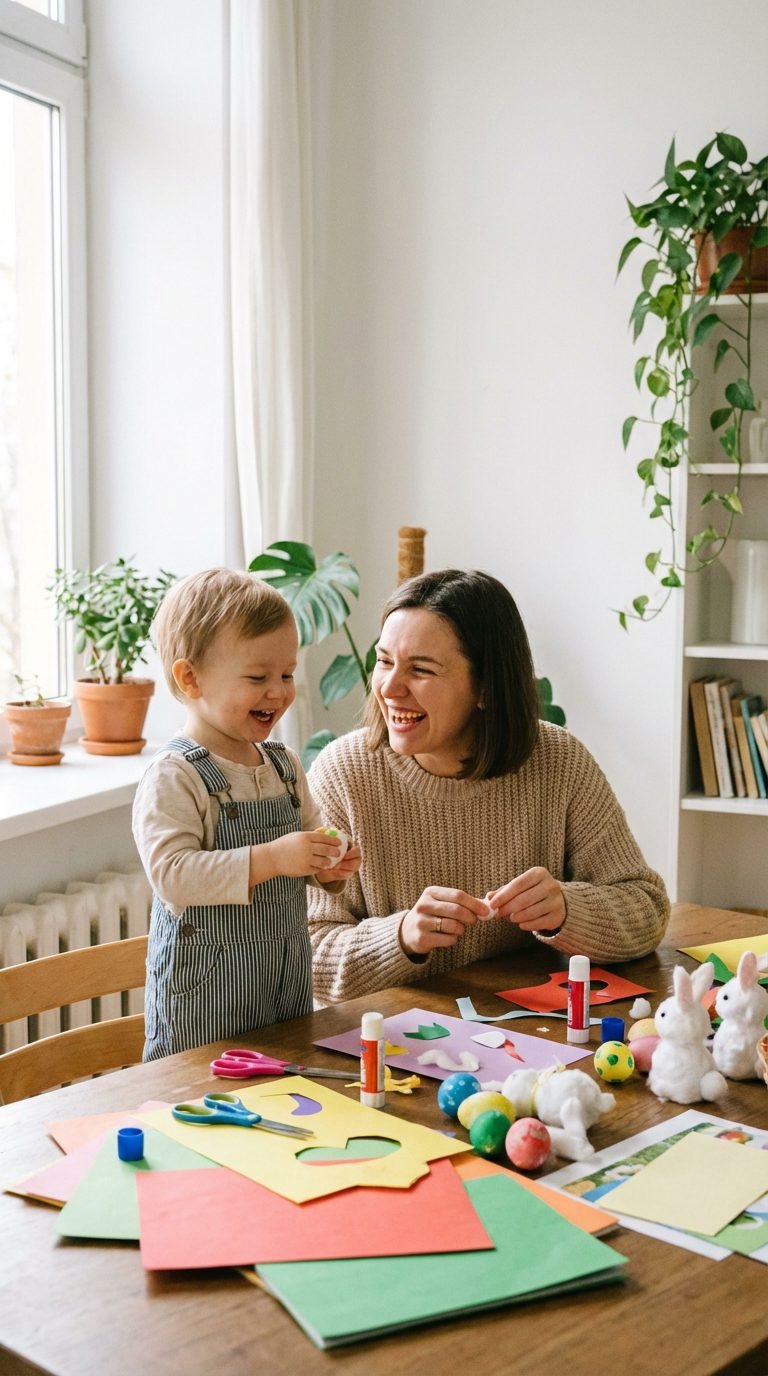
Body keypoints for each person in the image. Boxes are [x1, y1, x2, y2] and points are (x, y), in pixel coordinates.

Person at [307, 567, 669, 1004]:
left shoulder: (558, 761)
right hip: (390, 1041)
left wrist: (567, 911)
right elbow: (306, 954)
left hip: (528, 1032)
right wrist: (401, 936)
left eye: (421, 669)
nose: (390, 687)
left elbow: (645, 908)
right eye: (384, 661)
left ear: (484, 688)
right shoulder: (341, 773)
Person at [133, 568, 361, 1059]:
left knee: (284, 1091)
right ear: (190, 678)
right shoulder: (175, 776)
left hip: (283, 990)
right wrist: (276, 858)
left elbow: (304, 846)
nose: (277, 692)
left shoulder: (283, 764)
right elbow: (172, 876)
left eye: (286, 674)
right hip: (202, 1010)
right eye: (258, 677)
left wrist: (328, 866)